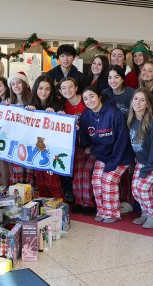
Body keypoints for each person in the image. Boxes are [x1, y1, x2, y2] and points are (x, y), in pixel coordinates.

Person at [79, 86, 134, 223]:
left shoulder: (114, 113)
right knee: (96, 181)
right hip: (102, 156)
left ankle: (112, 213)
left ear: (99, 96)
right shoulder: (86, 115)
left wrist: (113, 162)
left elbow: (122, 140)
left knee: (108, 180)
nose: (89, 100)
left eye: (92, 96)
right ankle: (102, 211)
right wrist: (78, 130)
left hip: (120, 156)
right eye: (85, 98)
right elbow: (85, 140)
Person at [60, 77, 96, 214]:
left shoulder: (86, 100)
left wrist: (91, 145)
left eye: (70, 87)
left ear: (76, 88)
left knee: (86, 173)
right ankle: (79, 201)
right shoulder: (62, 105)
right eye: (64, 88)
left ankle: (89, 203)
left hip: (92, 144)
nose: (67, 90)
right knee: (77, 174)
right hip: (75, 146)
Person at [128, 88, 153, 229]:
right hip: (140, 163)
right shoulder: (131, 120)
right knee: (135, 190)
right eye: (135, 99)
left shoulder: (152, 124)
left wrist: (147, 169)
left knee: (144, 190)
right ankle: (145, 213)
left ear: (148, 104)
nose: (138, 102)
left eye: (142, 100)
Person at [103, 65, 136, 210]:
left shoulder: (131, 93)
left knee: (127, 173)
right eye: (110, 77)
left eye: (116, 77)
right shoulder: (105, 93)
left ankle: (129, 202)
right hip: (111, 139)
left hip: (129, 137)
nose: (113, 80)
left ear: (123, 79)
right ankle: (116, 201)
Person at [26, 76, 64, 199]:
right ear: (36, 89)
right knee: (40, 179)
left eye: (47, 89)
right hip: (36, 150)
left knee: (52, 179)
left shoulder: (57, 105)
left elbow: (63, 125)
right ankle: (45, 205)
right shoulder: (31, 104)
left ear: (51, 90)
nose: (43, 92)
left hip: (51, 151)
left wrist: (57, 115)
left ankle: (59, 204)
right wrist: (29, 111)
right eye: (41, 88)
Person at [7, 72, 34, 185]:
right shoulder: (9, 102)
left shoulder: (32, 100)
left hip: (30, 142)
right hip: (15, 143)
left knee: (30, 172)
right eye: (13, 84)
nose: (16, 86)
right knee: (17, 172)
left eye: (18, 83)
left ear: (24, 84)